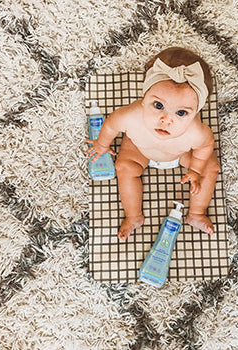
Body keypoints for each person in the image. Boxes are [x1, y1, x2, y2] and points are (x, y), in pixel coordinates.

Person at [85, 47, 220, 241]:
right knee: (124, 167)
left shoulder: (196, 132)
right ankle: (133, 216)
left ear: (195, 112)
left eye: (181, 113)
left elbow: (205, 147)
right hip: (140, 147)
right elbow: (111, 125)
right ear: (145, 97)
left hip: (179, 152)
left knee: (211, 166)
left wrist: (196, 170)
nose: (166, 120)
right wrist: (102, 144)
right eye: (158, 106)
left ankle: (196, 213)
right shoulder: (131, 116)